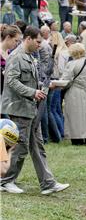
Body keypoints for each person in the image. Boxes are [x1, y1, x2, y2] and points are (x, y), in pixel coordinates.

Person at [0, 26, 70, 195]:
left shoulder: (30, 57)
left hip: (30, 108)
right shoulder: (16, 57)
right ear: (28, 39)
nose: (40, 45)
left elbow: (30, 80)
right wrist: (32, 92)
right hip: (18, 108)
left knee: (37, 146)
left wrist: (42, 87)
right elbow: (11, 81)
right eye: (38, 41)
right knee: (20, 146)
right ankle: (6, 181)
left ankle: (48, 183)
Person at [60, 43, 86, 145]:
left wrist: (59, 86)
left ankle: (77, 138)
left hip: (75, 92)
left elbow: (66, 81)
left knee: (76, 116)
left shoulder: (72, 64)